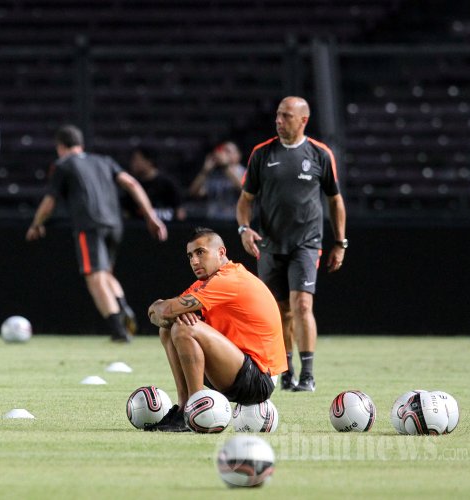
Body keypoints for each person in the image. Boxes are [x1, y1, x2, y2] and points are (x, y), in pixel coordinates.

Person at [236, 96, 347, 393]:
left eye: (286, 116)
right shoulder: (262, 153)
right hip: (270, 244)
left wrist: (340, 242)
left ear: (303, 120)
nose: (279, 120)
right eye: (278, 115)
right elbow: (245, 200)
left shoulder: (320, 154)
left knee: (302, 304)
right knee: (279, 310)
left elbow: (335, 201)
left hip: (306, 243)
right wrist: (244, 229)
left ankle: (308, 375)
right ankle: (286, 371)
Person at [26, 125, 168, 342]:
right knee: (106, 273)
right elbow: (131, 183)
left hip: (89, 225)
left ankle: (118, 329)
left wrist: (36, 223)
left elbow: (50, 201)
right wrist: (151, 216)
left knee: (94, 276)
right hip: (114, 224)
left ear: (60, 147)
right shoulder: (104, 161)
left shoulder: (63, 165)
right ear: (81, 144)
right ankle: (122, 306)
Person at [146, 227, 286, 432]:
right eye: (190, 256)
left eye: (200, 252)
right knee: (168, 329)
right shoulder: (206, 283)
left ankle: (193, 412)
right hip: (235, 368)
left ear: (221, 252)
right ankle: (183, 408)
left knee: (183, 328)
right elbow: (157, 314)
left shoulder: (229, 279)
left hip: (258, 378)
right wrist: (164, 311)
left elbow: (165, 310)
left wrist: (164, 310)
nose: (194, 261)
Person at [122, 146, 186, 222]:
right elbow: (127, 213)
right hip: (139, 227)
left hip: (166, 225)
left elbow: (180, 212)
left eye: (137, 159)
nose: (133, 163)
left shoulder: (167, 183)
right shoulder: (132, 184)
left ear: (149, 161)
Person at [188, 141, 245, 220]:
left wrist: (226, 167)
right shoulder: (214, 173)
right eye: (222, 151)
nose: (222, 154)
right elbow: (194, 193)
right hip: (214, 220)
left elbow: (245, 190)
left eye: (228, 151)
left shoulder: (243, 171)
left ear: (238, 156)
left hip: (235, 221)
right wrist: (205, 171)